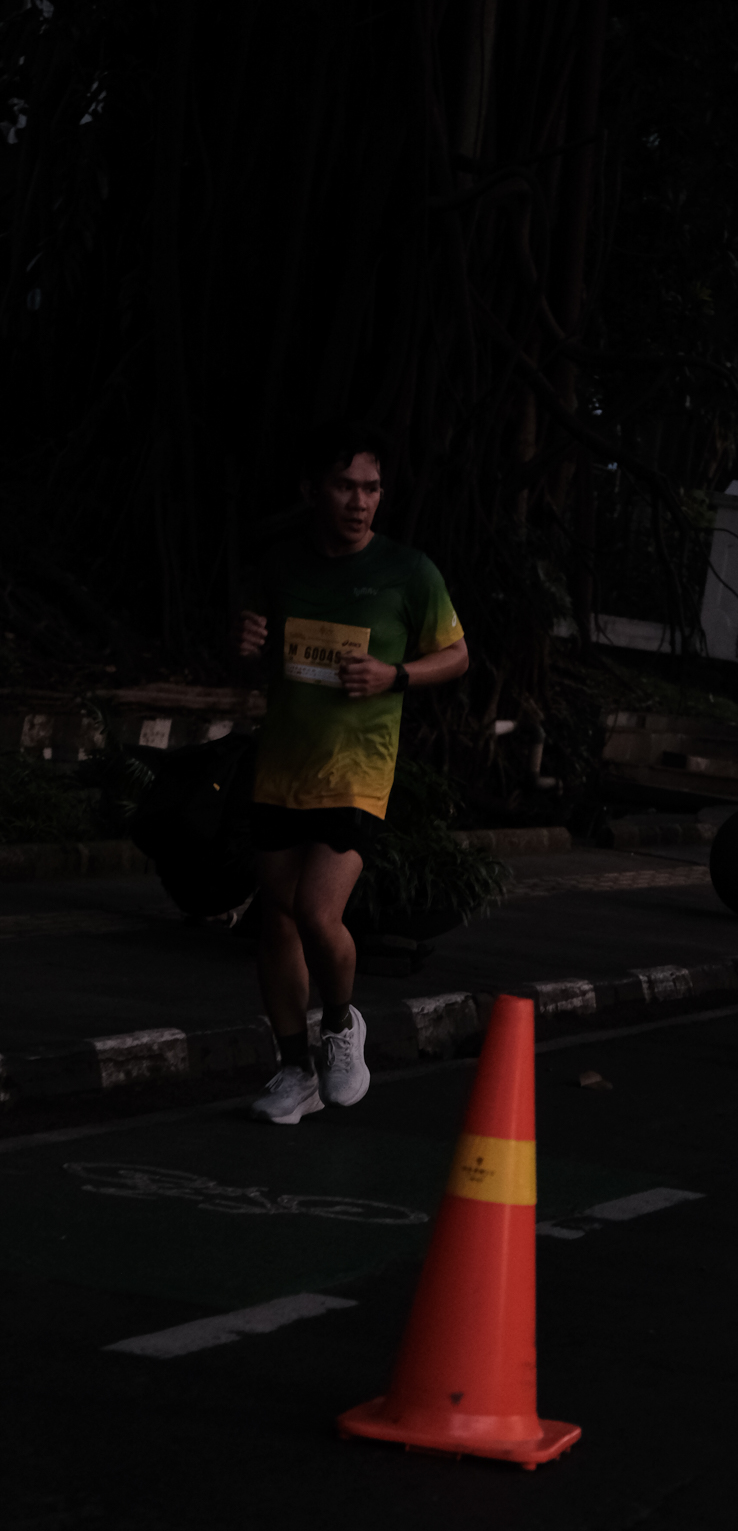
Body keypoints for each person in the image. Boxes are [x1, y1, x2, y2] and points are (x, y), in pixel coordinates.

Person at [236, 422, 469, 1122]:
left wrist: (396, 674)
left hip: (357, 769)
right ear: (313, 490)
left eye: (371, 488)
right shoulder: (281, 566)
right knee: (276, 919)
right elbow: (256, 659)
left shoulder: (409, 571)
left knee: (316, 910)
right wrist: (243, 645)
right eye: (345, 486)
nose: (360, 501)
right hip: (283, 765)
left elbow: (457, 656)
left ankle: (340, 1025)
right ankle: (293, 1070)